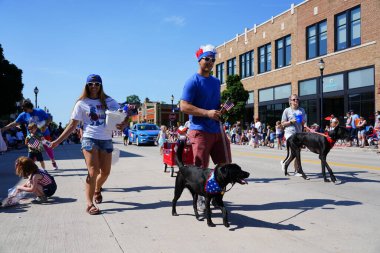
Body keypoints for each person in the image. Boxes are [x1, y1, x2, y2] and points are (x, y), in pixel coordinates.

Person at [51, 74, 128, 215]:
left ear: (101, 85)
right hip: (89, 138)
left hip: (106, 139)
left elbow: (123, 115)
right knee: (93, 172)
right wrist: (57, 141)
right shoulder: (81, 103)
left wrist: (124, 124)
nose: (94, 86)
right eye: (91, 84)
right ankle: (89, 204)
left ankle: (97, 189)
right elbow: (72, 125)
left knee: (105, 172)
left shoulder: (109, 101)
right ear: (86, 85)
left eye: (97, 84)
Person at [180, 44, 231, 210]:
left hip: (217, 130)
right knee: (200, 168)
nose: (210, 62)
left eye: (213, 60)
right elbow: (184, 106)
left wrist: (221, 108)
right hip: (199, 130)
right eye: (207, 59)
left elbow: (213, 104)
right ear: (199, 60)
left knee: (225, 166)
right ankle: (201, 198)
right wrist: (207, 113)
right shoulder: (192, 82)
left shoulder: (216, 82)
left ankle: (217, 196)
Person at [0, 100, 59, 169]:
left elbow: (48, 119)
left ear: (30, 107)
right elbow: (15, 123)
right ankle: (32, 168)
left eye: (25, 108)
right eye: (23, 109)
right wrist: (4, 128)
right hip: (32, 136)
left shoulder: (39, 111)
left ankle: (53, 161)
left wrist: (45, 126)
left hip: (44, 133)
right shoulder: (23, 115)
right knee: (33, 151)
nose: (23, 110)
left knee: (48, 148)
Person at [281, 94, 307, 177]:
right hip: (289, 133)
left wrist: (304, 124)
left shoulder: (302, 110)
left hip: (298, 133)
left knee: (296, 152)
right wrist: (291, 121)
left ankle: (288, 165)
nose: (296, 101)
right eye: (294, 99)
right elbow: (282, 123)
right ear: (290, 101)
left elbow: (304, 122)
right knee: (296, 150)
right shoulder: (287, 110)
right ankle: (298, 170)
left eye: (297, 99)